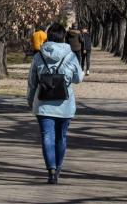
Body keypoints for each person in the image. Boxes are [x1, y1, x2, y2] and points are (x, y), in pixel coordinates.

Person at [27, 23, 84, 184]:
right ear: (63, 37)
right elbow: (78, 79)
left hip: (43, 104)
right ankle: (58, 167)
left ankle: (50, 169)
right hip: (65, 105)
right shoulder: (71, 55)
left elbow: (32, 81)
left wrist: (30, 100)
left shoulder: (39, 56)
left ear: (48, 36)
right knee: (61, 137)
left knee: (47, 137)